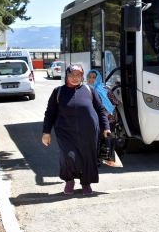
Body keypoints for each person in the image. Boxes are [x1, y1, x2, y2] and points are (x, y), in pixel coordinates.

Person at [42, 64, 111, 195]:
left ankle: (86, 183)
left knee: (88, 157)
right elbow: (49, 113)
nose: (75, 78)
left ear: (82, 76)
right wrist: (46, 132)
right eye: (72, 75)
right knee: (68, 157)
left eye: (78, 75)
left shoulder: (89, 90)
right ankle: (69, 181)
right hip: (65, 132)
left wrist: (106, 127)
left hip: (89, 132)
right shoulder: (58, 92)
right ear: (66, 76)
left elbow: (101, 110)